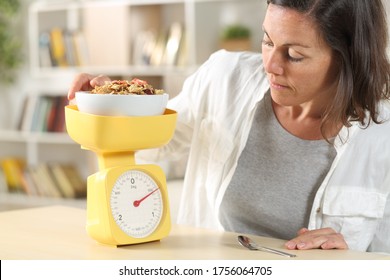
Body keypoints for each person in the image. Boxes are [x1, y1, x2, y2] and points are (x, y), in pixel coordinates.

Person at [68, 0, 390, 253]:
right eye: (267, 41)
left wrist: (349, 261)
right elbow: (154, 144)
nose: (270, 65)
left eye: (293, 55)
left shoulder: (382, 136)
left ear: (348, 57)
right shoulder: (224, 78)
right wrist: (114, 103)